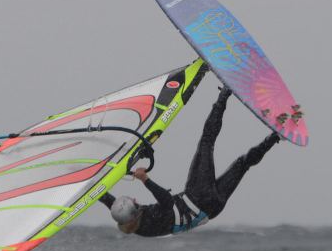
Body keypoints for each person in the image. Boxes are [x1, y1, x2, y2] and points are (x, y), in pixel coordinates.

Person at [99, 87, 285, 236]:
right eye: (134, 202)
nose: (134, 199)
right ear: (134, 212)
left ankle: (275, 136)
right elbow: (166, 201)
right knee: (206, 141)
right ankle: (225, 94)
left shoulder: (130, 221)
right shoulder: (148, 223)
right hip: (198, 195)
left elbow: (113, 204)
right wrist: (145, 179)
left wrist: (93, 190)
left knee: (242, 164)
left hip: (213, 208)